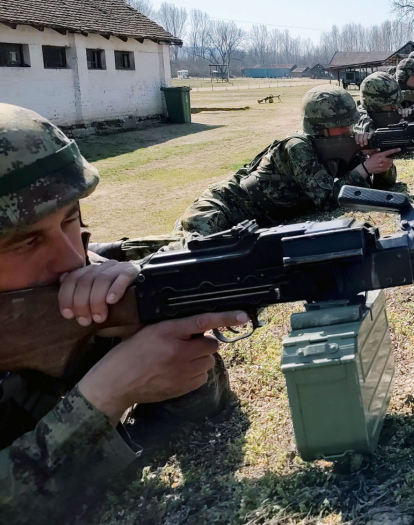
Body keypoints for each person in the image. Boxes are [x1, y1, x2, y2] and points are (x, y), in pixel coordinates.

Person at [0, 103, 248, 523]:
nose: (69, 257)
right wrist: (104, 397)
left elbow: (202, 412)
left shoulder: (85, 290)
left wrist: (148, 324)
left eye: (70, 219)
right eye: (27, 242)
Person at [175, 85, 400, 236]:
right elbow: (326, 199)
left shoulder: (341, 144)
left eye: (350, 123)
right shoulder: (297, 146)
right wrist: (363, 169)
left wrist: (374, 157)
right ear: (319, 126)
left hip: (259, 221)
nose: (348, 129)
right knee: (193, 246)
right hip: (226, 205)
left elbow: (382, 186)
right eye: (341, 124)